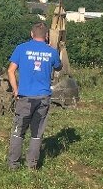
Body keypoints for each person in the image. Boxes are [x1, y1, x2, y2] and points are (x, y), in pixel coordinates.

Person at [6, 21, 62, 169]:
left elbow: (10, 70)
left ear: (31, 34)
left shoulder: (21, 48)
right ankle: (32, 166)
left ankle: (13, 165)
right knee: (37, 132)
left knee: (19, 131)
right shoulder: (51, 52)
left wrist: (15, 89)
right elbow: (59, 66)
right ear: (47, 36)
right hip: (43, 98)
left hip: (25, 97)